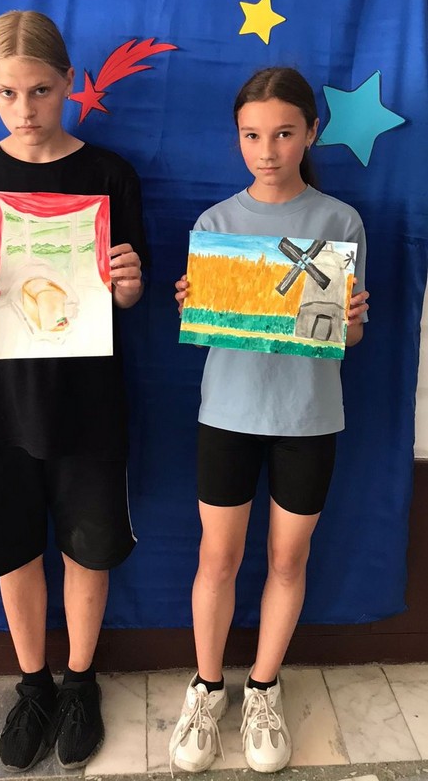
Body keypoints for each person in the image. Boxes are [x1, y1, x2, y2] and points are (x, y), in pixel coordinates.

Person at [0, 10, 147, 774]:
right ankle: (33, 685)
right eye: (9, 93)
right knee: (13, 548)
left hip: (87, 400)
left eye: (41, 91)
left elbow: (127, 293)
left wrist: (125, 283)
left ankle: (79, 683)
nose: (25, 109)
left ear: (68, 83)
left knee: (88, 548)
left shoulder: (109, 175)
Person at [169, 67, 369, 774]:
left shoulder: (339, 222)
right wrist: (194, 304)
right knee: (216, 559)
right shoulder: (214, 225)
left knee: (287, 560)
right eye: (252, 136)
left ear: (310, 133)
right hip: (227, 414)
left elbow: (343, 337)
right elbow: (209, 328)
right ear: (237, 138)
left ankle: (262, 687)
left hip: (308, 418)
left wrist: (350, 320)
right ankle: (206, 687)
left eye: (283, 133)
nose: (267, 150)